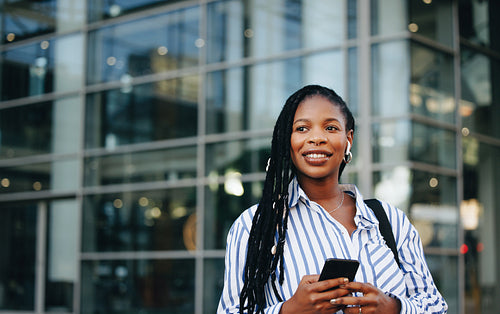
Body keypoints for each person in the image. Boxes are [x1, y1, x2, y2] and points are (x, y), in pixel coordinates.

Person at [217, 85, 448, 313]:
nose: (317, 138)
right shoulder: (254, 226)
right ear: (287, 141)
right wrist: (289, 311)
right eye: (302, 129)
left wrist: (394, 308)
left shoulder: (391, 221)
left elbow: (435, 306)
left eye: (330, 127)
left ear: (348, 139)